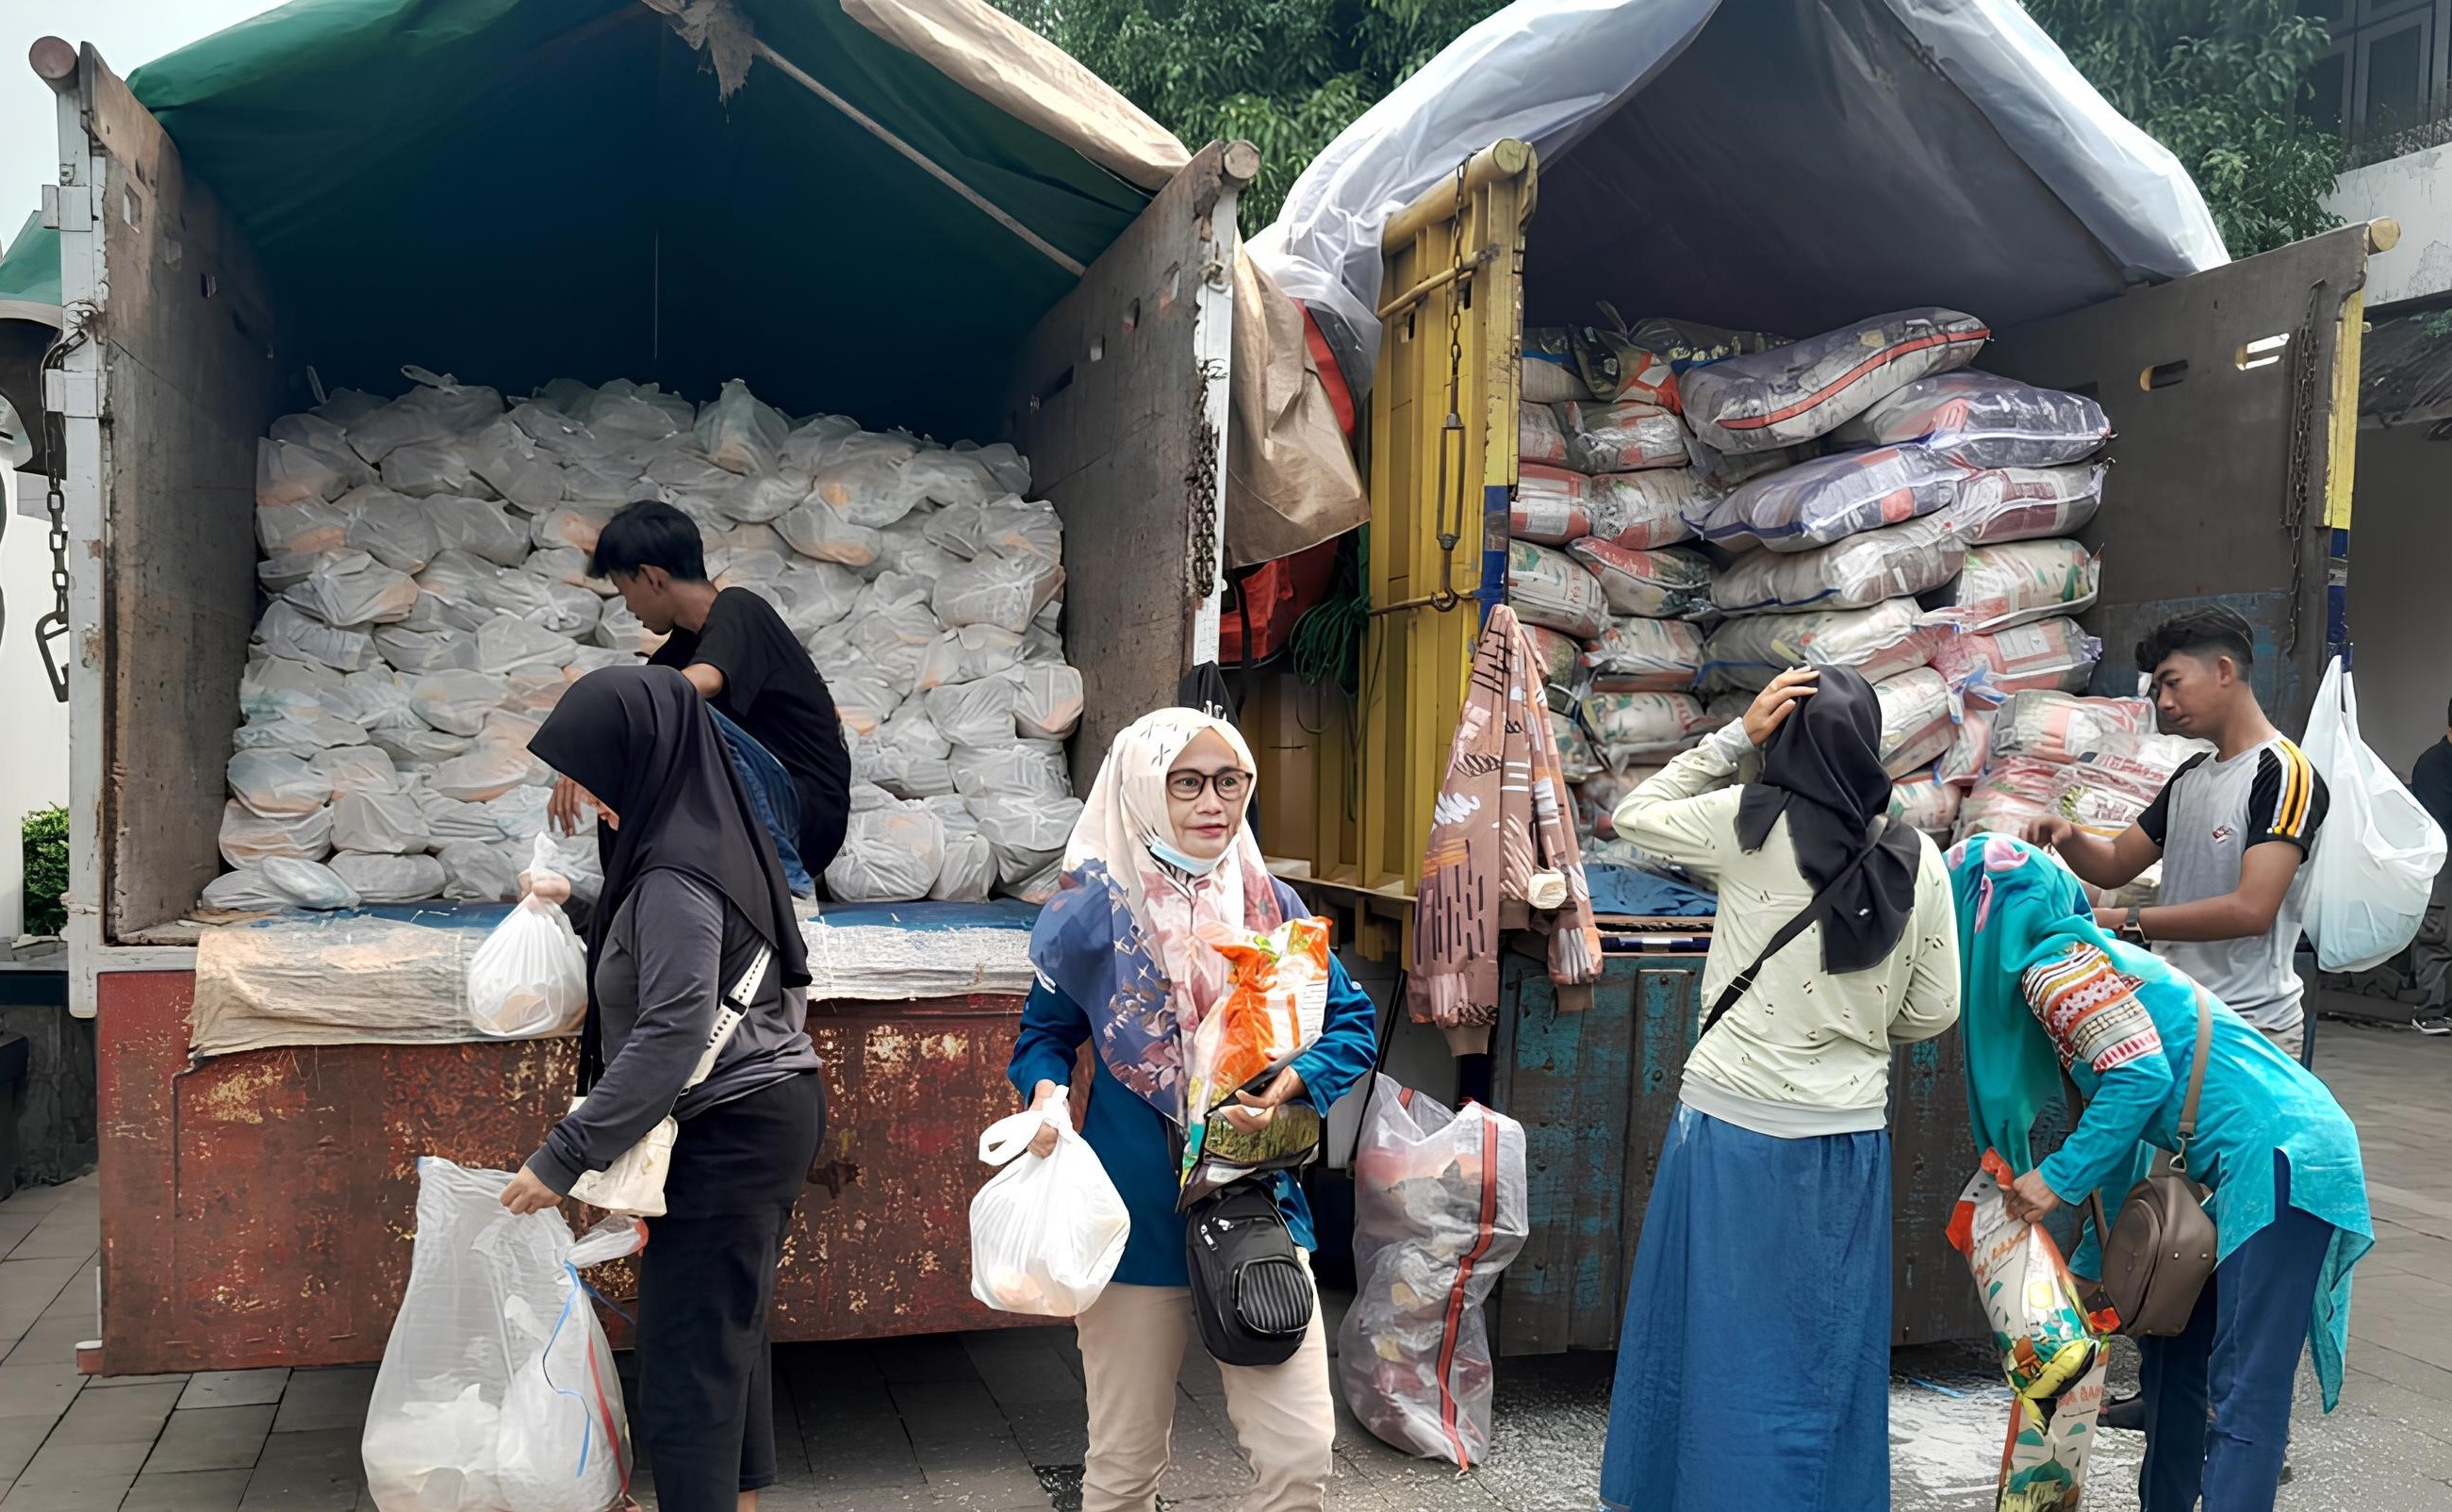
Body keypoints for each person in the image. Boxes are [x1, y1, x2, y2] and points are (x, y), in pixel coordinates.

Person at [1595, 666, 1961, 1512]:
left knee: (1714, 1340)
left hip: (1729, 1128)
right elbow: (1934, 1010)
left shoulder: (1746, 821)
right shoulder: (1920, 857)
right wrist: (1855, 1031)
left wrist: (1733, 740)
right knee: (1822, 1347)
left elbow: (1633, 815)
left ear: (1782, 736)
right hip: (1846, 1135)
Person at [1008, 709, 1377, 1512]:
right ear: (1144, 788)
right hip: (1134, 1223)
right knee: (1123, 1465)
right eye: (1187, 783)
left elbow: (1350, 1022)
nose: (1214, 802)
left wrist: (1296, 1081)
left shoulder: (1268, 902)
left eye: (1230, 781)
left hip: (1257, 1209)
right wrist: (1044, 1097)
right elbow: (1042, 1039)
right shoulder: (1089, 918)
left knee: (1299, 1455)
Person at [1946, 833, 2372, 1512]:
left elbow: (2136, 1079)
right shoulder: (2076, 958)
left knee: (2242, 1395)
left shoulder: (2054, 970)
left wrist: (2055, 1178)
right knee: (2174, 1365)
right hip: (2237, 1163)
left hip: (2285, 1159)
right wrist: (2091, 1269)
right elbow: (2113, 1122)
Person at [499, 665, 826, 1512]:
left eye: (601, 777)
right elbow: (664, 941)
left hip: (731, 1128)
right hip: (759, 1113)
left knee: (687, 1363)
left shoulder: (676, 870)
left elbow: (673, 1028)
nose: (597, 801)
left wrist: (564, 1155)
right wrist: (574, 901)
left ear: (642, 761)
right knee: (725, 1341)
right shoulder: (703, 838)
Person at [2025, 608, 2329, 1064]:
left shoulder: (2282, 773)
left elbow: (2252, 910)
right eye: (2159, 688)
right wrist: (2068, 836)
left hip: (2248, 1029)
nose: (2163, 702)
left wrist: (2122, 923)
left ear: (2224, 670)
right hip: (2176, 1013)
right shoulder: (2191, 776)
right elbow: (2114, 865)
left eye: (2173, 682)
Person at [557, 499, 852, 891]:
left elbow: (703, 683)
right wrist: (592, 770)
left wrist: (602, 731)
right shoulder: (673, 656)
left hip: (802, 815)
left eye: (622, 588)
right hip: (743, 812)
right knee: (633, 751)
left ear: (652, 577)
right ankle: (635, 895)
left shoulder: (740, 609)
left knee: (675, 712)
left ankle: (785, 885)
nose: (627, 606)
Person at [2408, 699, 2452, 1033]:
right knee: (2437, 935)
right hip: (2441, 859)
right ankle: (2430, 1010)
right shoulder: (2433, 764)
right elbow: (2440, 821)